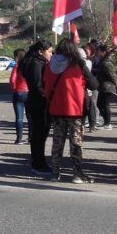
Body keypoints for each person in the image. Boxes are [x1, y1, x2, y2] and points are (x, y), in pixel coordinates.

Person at [44, 39, 98, 184]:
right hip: (75, 110)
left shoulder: (49, 65)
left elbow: (45, 85)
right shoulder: (77, 65)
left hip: (56, 109)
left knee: (57, 142)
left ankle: (55, 173)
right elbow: (93, 85)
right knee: (76, 143)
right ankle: (77, 174)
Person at [20, 40, 54, 176]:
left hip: (38, 101)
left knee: (40, 134)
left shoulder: (39, 62)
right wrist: (48, 96)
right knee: (39, 134)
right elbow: (37, 85)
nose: (51, 54)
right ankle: (38, 163)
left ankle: (39, 161)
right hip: (38, 102)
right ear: (40, 51)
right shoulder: (35, 64)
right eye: (49, 52)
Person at [95, 44, 117, 130]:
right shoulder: (103, 61)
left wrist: (116, 85)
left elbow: (112, 75)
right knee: (99, 104)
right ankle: (106, 122)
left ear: (103, 52)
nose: (97, 53)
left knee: (105, 104)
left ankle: (108, 123)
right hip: (102, 86)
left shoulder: (106, 63)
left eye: (98, 51)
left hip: (107, 86)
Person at [9, 48, 29, 144]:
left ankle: (19, 138)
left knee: (19, 117)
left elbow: (12, 80)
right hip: (28, 92)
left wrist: (14, 89)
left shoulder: (17, 67)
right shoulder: (28, 66)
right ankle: (30, 137)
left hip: (18, 92)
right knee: (30, 117)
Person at [82, 44, 99, 132]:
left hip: (90, 86)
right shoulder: (86, 61)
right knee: (86, 106)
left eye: (87, 49)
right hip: (85, 87)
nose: (86, 51)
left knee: (91, 105)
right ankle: (85, 124)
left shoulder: (89, 62)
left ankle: (92, 124)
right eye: (84, 49)